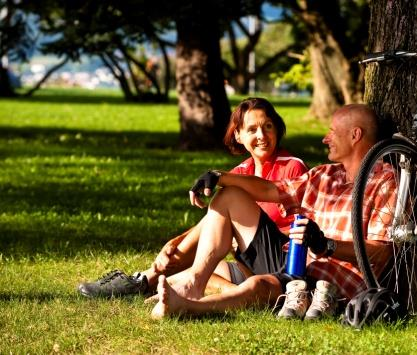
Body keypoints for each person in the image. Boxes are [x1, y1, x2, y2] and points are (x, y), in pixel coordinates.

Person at [149, 103, 395, 320]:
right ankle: (193, 284)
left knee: (258, 285)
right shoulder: (325, 174)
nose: (325, 138)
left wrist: (326, 245)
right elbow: (269, 190)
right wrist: (219, 176)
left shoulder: (384, 182)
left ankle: (191, 307)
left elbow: (381, 252)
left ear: (355, 135)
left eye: (332, 131)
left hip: (326, 284)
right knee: (230, 196)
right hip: (293, 261)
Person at [77, 97, 308, 298]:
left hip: (285, 262)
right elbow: (212, 222)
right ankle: (235, 292)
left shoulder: (292, 167)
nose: (262, 135)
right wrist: (176, 241)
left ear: (277, 129)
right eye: (252, 129)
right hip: (251, 263)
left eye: (268, 126)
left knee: (224, 207)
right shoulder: (240, 171)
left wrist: (220, 180)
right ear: (237, 135)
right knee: (197, 270)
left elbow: (285, 211)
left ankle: (145, 280)